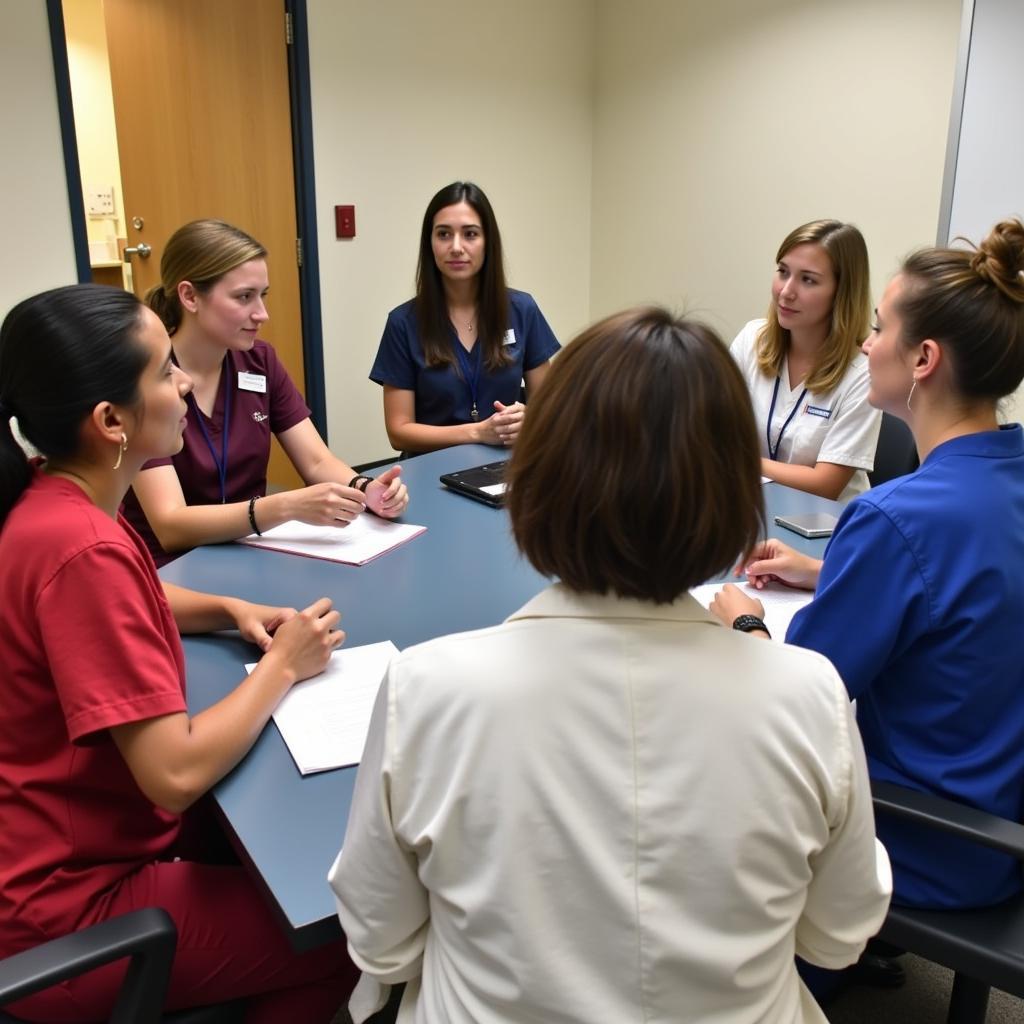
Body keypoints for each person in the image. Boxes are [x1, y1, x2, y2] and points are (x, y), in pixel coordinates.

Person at [330, 308, 891, 1024]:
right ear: (733, 491)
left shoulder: (427, 690)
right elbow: (836, 938)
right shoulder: (810, 696)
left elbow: (382, 945)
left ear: (539, 476)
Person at [0, 284, 357, 1022]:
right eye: (165, 371)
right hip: (70, 913)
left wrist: (227, 609)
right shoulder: (82, 547)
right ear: (110, 421)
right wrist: (285, 665)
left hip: (58, 851)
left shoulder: (54, 505)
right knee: (349, 934)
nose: (186, 384)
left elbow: (130, 603)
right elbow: (175, 772)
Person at [711, 218, 1024, 913]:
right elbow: (975, 595)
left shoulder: (896, 519)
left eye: (880, 328)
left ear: (924, 360)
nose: (865, 343)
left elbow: (793, 700)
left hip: (923, 840)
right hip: (1003, 822)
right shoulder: (1007, 477)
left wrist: (745, 622)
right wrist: (827, 575)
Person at [123, 219, 408, 566]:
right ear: (189, 296)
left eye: (263, 295)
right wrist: (286, 506)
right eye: (244, 297)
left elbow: (317, 460)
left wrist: (365, 489)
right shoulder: (145, 376)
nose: (262, 314)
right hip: (174, 570)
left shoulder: (259, 362)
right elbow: (170, 525)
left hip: (249, 550)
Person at [369, 181, 560, 454]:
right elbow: (399, 432)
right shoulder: (403, 323)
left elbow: (550, 407)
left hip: (505, 466)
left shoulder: (522, 309)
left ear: (487, 242)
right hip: (430, 470)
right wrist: (478, 432)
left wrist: (531, 418)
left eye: (470, 234)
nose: (456, 247)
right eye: (444, 234)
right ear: (430, 243)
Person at [731, 219, 881, 500]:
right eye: (783, 272)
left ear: (841, 292)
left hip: (823, 526)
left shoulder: (863, 371)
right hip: (753, 507)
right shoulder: (752, 339)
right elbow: (711, 430)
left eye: (808, 279)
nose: (786, 291)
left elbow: (825, 484)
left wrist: (741, 461)